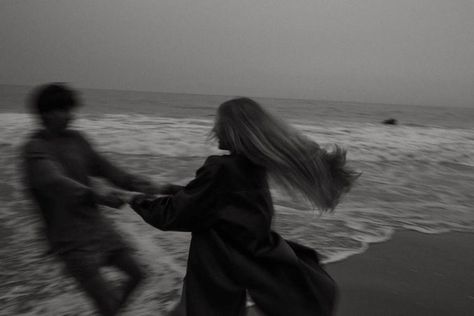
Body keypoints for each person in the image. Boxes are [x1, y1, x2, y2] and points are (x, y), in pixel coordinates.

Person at [128, 97, 360, 316]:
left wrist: (133, 200)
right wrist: (169, 188)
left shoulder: (223, 169)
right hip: (233, 272)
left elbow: (176, 214)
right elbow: (211, 201)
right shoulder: (251, 169)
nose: (214, 131)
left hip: (215, 274)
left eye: (219, 125)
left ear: (233, 130)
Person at [21, 83, 161, 316]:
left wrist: (137, 182)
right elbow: (55, 181)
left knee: (138, 274)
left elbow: (108, 170)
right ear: (45, 114)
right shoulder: (34, 149)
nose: (70, 116)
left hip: (97, 228)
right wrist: (96, 195)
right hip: (69, 239)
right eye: (63, 110)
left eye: (70, 109)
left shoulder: (77, 139)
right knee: (106, 305)